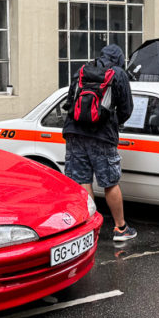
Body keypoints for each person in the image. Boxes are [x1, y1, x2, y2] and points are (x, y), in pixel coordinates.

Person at [63, 44, 136, 242]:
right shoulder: (118, 74)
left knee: (83, 179)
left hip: (74, 132)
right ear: (120, 60)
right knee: (110, 182)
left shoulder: (82, 70)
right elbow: (127, 109)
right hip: (102, 135)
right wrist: (114, 122)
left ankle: (88, 227)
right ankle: (120, 228)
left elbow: (70, 100)